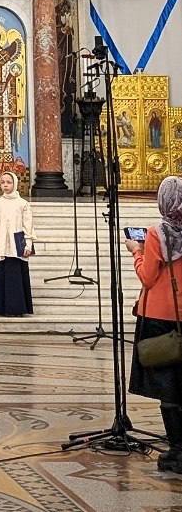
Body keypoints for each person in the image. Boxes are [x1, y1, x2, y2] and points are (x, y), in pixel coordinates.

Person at [127, 175, 182, 473]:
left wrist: (136, 252)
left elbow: (147, 277)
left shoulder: (157, 232)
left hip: (161, 317)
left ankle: (178, 451)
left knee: (168, 387)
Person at [0, 171, 34, 317]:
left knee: (17, 277)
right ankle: (3, 308)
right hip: (2, 245)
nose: (5, 185)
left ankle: (18, 308)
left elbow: (28, 225)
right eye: (3, 182)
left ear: (15, 183)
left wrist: (28, 244)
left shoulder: (23, 203)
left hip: (17, 245)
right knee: (4, 276)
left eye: (9, 182)